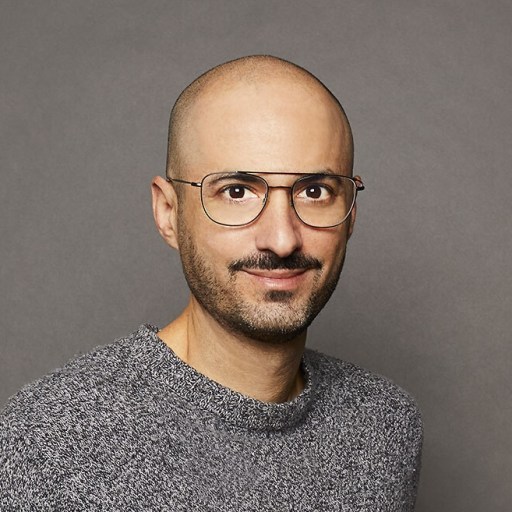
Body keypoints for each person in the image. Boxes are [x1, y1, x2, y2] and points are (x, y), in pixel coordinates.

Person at [0, 55, 422, 510]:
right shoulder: (46, 444)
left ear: (351, 213)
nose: (281, 239)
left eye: (314, 191)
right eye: (236, 191)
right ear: (168, 212)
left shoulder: (387, 426)